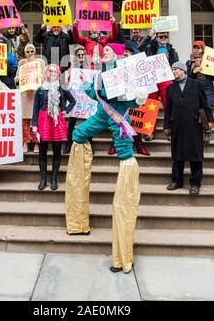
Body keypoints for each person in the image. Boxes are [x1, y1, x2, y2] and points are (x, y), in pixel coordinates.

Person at [66, 43, 147, 274]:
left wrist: (139, 98)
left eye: (109, 52)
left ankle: (122, 253)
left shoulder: (124, 71)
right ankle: (77, 218)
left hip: (118, 117)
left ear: (117, 54)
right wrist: (84, 85)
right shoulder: (100, 74)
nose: (105, 54)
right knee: (78, 134)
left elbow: (130, 100)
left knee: (125, 152)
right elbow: (93, 95)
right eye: (104, 53)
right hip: (101, 114)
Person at [164, 61, 214, 195]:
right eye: (172, 69)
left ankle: (195, 183)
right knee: (177, 155)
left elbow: (204, 103)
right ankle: (176, 181)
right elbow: (168, 109)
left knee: (195, 155)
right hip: (177, 125)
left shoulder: (197, 84)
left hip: (193, 125)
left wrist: (210, 119)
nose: (173, 71)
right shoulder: (170, 88)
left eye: (175, 69)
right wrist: (166, 126)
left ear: (183, 71)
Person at [32, 64, 76, 191]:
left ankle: (54, 179)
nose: (52, 73)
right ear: (46, 73)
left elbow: (73, 101)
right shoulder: (40, 89)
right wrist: (34, 125)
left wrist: (65, 111)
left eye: (54, 71)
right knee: (42, 150)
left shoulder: (61, 88)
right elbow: (35, 108)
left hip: (57, 121)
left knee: (57, 150)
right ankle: (43, 178)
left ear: (58, 74)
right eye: (49, 71)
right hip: (43, 121)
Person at [108, 44, 150, 156]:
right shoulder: (114, 66)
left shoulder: (138, 67)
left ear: (132, 54)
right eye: (124, 51)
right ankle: (115, 144)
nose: (126, 53)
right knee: (117, 122)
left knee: (137, 121)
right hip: (119, 99)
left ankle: (139, 144)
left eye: (128, 51)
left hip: (134, 99)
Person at [139, 29, 179, 141]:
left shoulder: (172, 51)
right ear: (156, 38)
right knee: (151, 105)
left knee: (169, 105)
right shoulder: (150, 47)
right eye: (160, 37)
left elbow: (176, 65)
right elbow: (139, 48)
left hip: (166, 79)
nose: (163, 39)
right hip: (152, 79)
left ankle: (169, 130)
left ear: (167, 38)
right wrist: (148, 36)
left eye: (165, 37)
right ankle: (149, 131)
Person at [15, 44, 44, 153]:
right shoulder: (22, 63)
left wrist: (40, 78)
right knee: (26, 121)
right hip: (25, 95)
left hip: (36, 94)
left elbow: (44, 76)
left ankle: (36, 143)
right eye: (28, 51)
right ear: (25, 53)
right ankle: (26, 142)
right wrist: (18, 79)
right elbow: (17, 77)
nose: (30, 53)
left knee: (36, 120)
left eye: (32, 51)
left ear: (35, 52)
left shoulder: (40, 63)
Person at [186, 40, 214, 110]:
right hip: (193, 94)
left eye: (199, 48)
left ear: (203, 50)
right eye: (195, 47)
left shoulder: (209, 62)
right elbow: (186, 80)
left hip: (207, 94)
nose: (196, 50)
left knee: (208, 119)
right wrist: (193, 73)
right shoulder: (189, 63)